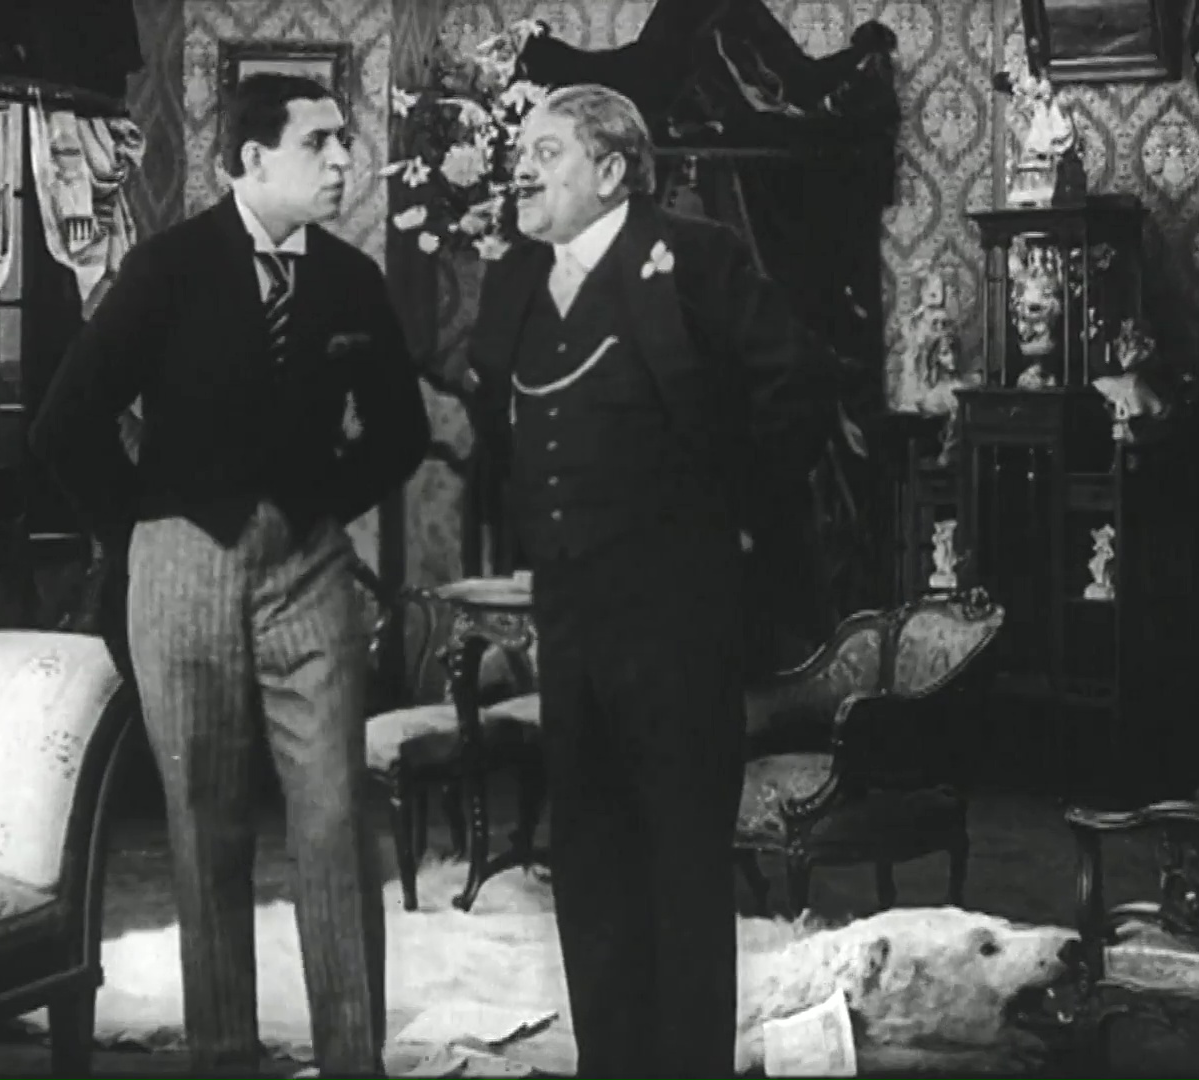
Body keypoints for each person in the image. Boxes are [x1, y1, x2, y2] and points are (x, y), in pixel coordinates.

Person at [30, 73, 430, 1074]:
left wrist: (320, 506)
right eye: (319, 142)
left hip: (310, 570)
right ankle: (222, 1054)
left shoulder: (350, 280)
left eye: (345, 141)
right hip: (181, 566)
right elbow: (65, 423)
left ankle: (353, 1059)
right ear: (252, 159)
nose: (343, 161)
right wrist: (146, 529)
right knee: (206, 824)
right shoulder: (167, 269)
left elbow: (402, 432)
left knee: (333, 817)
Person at [466, 83, 837, 1077]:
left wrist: (728, 517)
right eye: (523, 149)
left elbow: (798, 387)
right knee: (588, 860)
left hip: (680, 618)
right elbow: (494, 418)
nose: (523, 167)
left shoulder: (698, 258)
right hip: (568, 618)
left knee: (681, 865)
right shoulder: (515, 278)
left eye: (548, 150)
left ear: (611, 170)